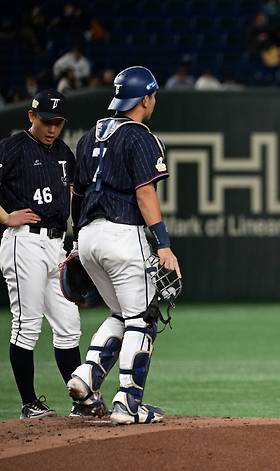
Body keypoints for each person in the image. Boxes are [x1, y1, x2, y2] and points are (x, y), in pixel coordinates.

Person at [67, 66, 181, 425]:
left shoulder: (88, 137)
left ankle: (85, 377)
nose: (154, 100)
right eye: (153, 94)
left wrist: (74, 242)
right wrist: (163, 244)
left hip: (88, 238)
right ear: (145, 98)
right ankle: (128, 404)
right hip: (121, 234)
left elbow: (77, 195)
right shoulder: (141, 137)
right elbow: (145, 192)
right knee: (143, 318)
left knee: (121, 315)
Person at [0, 90, 83, 419]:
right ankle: (29, 403)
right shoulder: (12, 148)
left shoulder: (64, 152)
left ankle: (81, 400)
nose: (52, 128)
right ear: (31, 116)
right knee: (26, 326)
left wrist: (75, 240)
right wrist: (6, 217)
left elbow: (75, 198)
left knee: (69, 326)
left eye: (58, 123)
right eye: (47, 121)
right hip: (25, 242)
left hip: (57, 244)